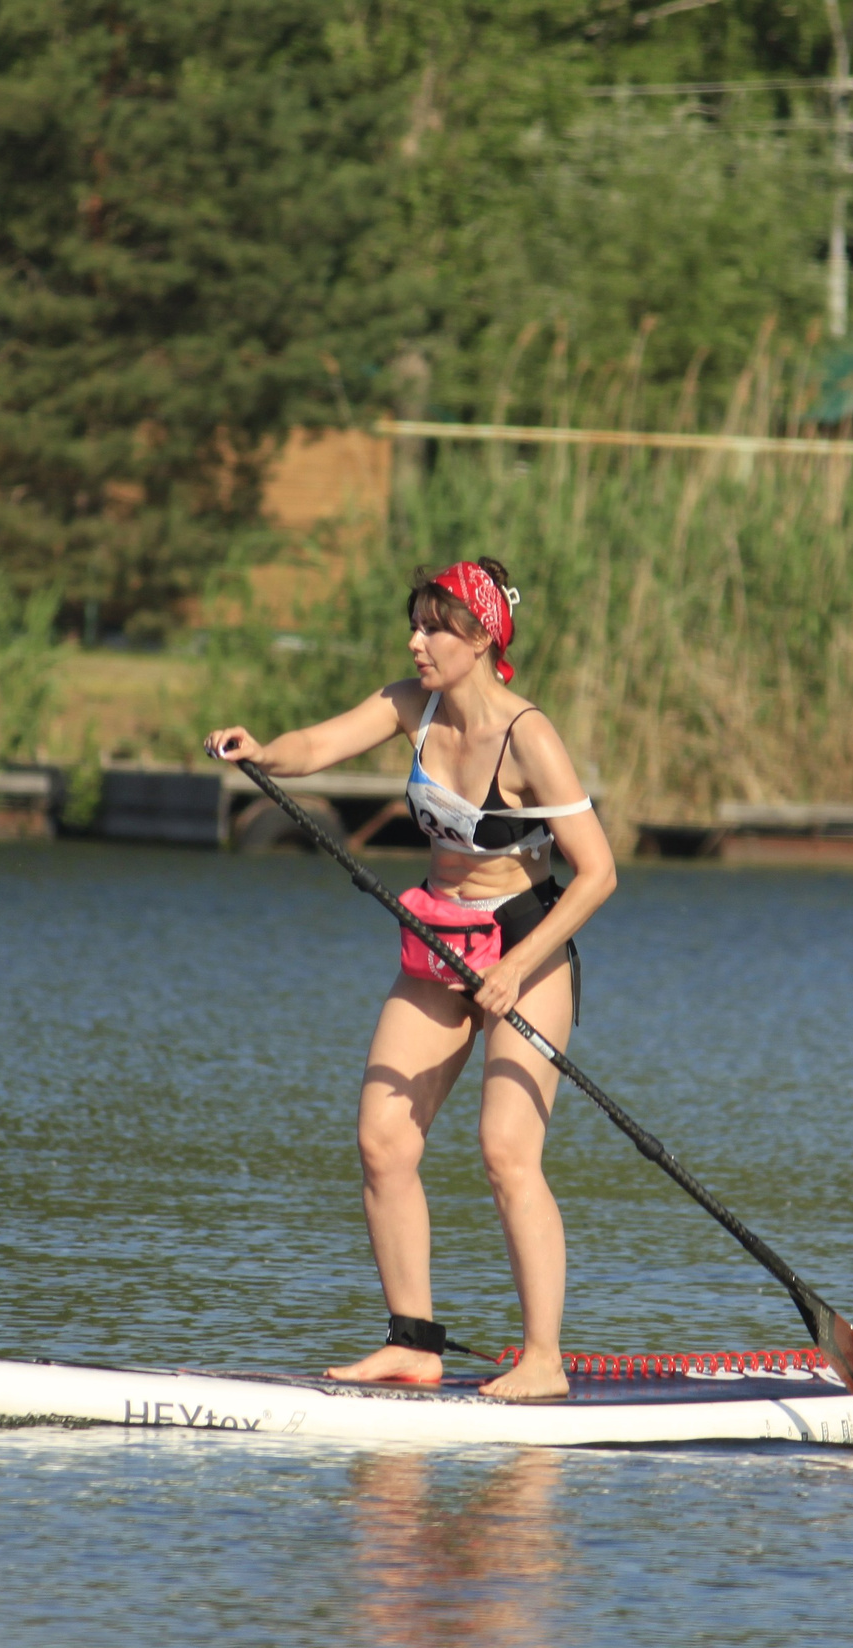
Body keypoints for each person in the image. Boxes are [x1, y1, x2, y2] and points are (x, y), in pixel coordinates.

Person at [204, 559, 616, 1401]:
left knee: (507, 1150)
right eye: (416, 624)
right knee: (383, 1140)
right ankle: (414, 1341)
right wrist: (262, 751)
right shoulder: (409, 705)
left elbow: (599, 872)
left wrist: (516, 969)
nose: (415, 641)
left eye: (434, 627)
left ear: (481, 639)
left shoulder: (528, 737)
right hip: (441, 940)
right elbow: (317, 745)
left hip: (526, 947)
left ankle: (543, 1359)